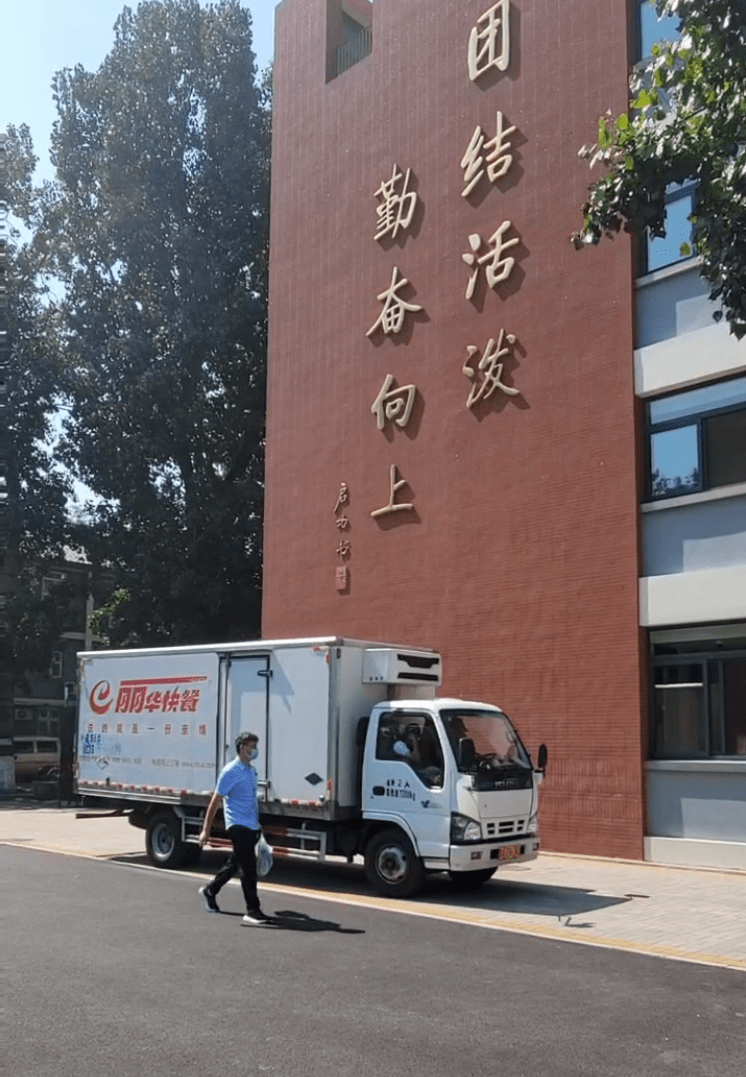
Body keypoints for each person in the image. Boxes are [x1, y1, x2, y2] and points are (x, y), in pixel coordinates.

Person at [198, 731, 272, 926]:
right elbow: (216, 800)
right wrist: (206, 830)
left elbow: (250, 800)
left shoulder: (251, 771)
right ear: (242, 747)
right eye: (252, 746)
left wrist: (257, 826)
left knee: (236, 862)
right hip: (237, 825)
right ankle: (253, 910)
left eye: (255, 746)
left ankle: (210, 890)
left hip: (251, 825)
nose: (255, 750)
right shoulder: (231, 771)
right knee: (249, 868)